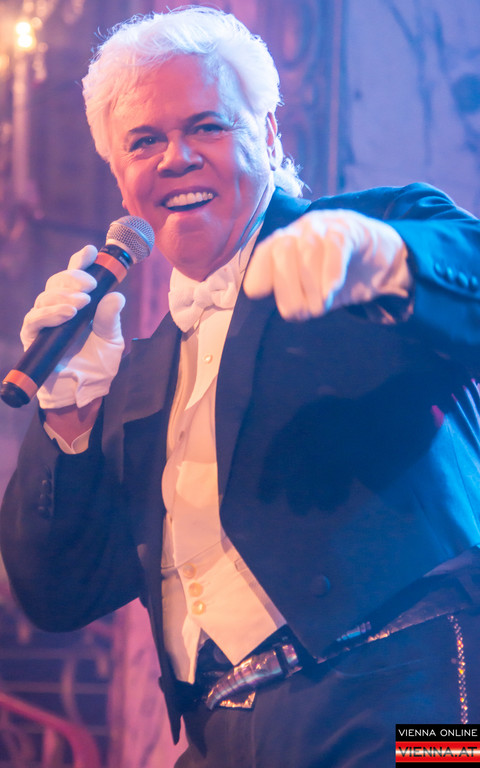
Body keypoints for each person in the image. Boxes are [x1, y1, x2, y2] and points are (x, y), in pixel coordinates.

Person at [2, 7, 480, 766]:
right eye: (144, 142)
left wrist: (388, 260)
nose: (176, 157)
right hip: (222, 736)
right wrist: (69, 419)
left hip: (415, 700)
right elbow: (57, 593)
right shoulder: (134, 378)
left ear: (270, 135)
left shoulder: (363, 236)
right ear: (121, 179)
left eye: (207, 126)